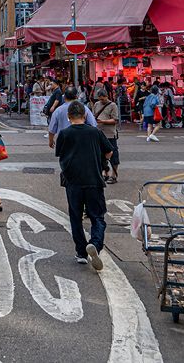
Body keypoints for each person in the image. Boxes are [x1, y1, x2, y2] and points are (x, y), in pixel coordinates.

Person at [55, 101, 113, 269]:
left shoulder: (65, 134)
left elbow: (60, 154)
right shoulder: (95, 132)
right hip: (93, 180)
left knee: (75, 217)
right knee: (97, 217)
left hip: (72, 182)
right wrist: (101, 162)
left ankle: (81, 252)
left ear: (68, 116)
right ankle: (95, 243)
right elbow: (109, 151)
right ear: (85, 115)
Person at [92, 84, 120, 184]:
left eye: (103, 99)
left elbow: (115, 120)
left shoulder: (113, 105)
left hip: (110, 134)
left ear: (106, 96)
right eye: (100, 99)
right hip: (99, 133)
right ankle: (105, 173)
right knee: (100, 155)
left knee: (114, 155)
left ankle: (114, 175)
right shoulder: (96, 105)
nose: (101, 101)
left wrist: (103, 121)